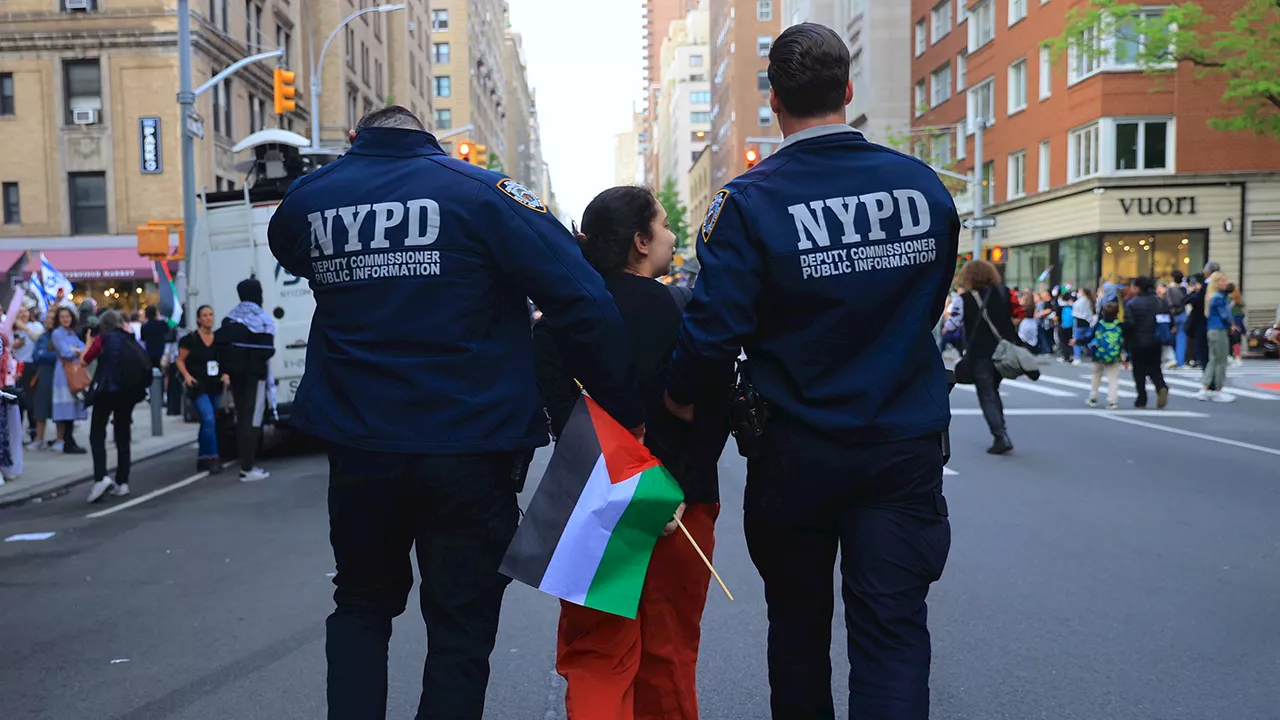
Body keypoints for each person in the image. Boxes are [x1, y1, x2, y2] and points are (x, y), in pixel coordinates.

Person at [266, 106, 642, 720]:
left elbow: (292, 253)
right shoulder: (480, 192)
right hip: (469, 447)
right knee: (460, 627)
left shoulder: (311, 198)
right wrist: (620, 407)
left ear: (357, 140)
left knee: (361, 603)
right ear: (430, 141)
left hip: (362, 448)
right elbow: (582, 299)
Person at [663, 25, 957, 719]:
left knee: (797, 629)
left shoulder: (750, 201)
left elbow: (713, 331)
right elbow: (931, 296)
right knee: (892, 633)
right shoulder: (920, 186)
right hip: (901, 444)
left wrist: (680, 398)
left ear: (774, 102)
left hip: (796, 449)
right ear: (847, 93)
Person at [532, 186, 728, 720]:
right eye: (663, 225)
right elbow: (713, 410)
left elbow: (561, 415)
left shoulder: (557, 323)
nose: (670, 236)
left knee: (596, 653)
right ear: (640, 242)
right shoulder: (685, 311)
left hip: (593, 498)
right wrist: (679, 487)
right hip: (682, 502)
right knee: (668, 653)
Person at [82, 310, 147, 502]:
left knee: (97, 432)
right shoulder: (130, 338)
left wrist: (89, 340)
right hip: (127, 392)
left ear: (103, 325)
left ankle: (100, 477)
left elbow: (85, 359)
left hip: (107, 391)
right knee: (122, 434)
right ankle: (123, 482)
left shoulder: (103, 338)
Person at [218, 278, 275, 482]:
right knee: (253, 420)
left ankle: (246, 463)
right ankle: (248, 467)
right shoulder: (261, 319)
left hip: (236, 377)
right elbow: (268, 350)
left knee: (242, 417)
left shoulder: (229, 318)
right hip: (256, 377)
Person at [960, 260, 1016, 454]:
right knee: (994, 390)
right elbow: (1016, 315)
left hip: (979, 353)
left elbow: (954, 324)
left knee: (986, 394)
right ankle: (1002, 432)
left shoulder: (965, 298)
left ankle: (1000, 435)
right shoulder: (1004, 292)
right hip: (1002, 351)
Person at [177, 305, 224, 473]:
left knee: (209, 422)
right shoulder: (190, 339)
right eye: (204, 315)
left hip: (215, 385)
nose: (208, 318)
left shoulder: (218, 338)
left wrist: (225, 374)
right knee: (209, 418)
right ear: (198, 319)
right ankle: (213, 457)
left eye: (211, 315)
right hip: (198, 386)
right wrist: (187, 376)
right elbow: (180, 360)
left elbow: (223, 359)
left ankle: (202, 457)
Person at [1122, 276, 1170, 409]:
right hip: (1156, 340)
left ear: (1137, 287)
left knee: (1139, 371)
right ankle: (1161, 386)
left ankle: (1141, 398)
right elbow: (1167, 319)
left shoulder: (1132, 303)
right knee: (1155, 367)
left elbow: (1128, 325)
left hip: (1137, 342)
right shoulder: (1160, 302)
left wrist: (1125, 344)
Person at [50, 306, 88, 454]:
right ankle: (68, 441)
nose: (66, 319)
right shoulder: (57, 333)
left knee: (73, 407)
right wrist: (76, 350)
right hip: (63, 373)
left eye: (67, 316)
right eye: (62, 317)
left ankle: (69, 440)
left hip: (74, 370)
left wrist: (75, 350)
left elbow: (83, 348)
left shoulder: (71, 333)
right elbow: (66, 352)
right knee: (66, 407)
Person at [1199, 271, 1235, 402]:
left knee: (1213, 360)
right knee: (1221, 361)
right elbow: (1225, 315)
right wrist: (1231, 324)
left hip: (1212, 330)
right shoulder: (1219, 298)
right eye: (1223, 281)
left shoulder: (1211, 297)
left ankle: (1205, 388)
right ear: (1216, 283)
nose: (1226, 283)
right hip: (1219, 330)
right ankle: (1218, 390)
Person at [27, 312, 58, 451]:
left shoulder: (59, 335)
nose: (49, 321)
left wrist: (43, 354)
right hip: (42, 374)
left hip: (57, 374)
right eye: (48, 319)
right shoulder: (43, 337)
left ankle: (60, 438)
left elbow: (55, 355)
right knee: (40, 407)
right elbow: (36, 355)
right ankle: (39, 439)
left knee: (58, 407)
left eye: (52, 318)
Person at [1087, 302, 1125, 409]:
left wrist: (1078, 341)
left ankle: (1093, 396)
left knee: (1096, 375)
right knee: (1113, 378)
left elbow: (1090, 337)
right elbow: (1124, 340)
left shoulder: (1099, 324)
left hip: (1098, 355)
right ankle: (1112, 401)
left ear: (1103, 313)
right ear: (1117, 313)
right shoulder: (1119, 325)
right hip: (1114, 355)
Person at [1184, 275, 1207, 368]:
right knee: (1194, 342)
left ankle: (1198, 359)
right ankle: (1194, 359)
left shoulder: (1203, 293)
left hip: (1202, 322)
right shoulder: (1195, 294)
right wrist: (1192, 291)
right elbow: (1185, 300)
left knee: (1199, 343)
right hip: (1195, 323)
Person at [1167, 270, 1188, 368]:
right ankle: (1180, 361)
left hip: (1174, 315)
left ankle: (1175, 359)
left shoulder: (1170, 289)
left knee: (1174, 337)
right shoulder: (1184, 289)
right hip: (1183, 314)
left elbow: (1169, 303)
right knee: (1181, 338)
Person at [1071, 287, 1096, 364]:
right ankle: (1094, 354)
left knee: (1076, 340)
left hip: (1079, 322)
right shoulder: (1090, 300)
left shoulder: (1080, 301)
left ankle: (1077, 357)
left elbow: (1075, 312)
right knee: (1089, 340)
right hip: (1088, 322)